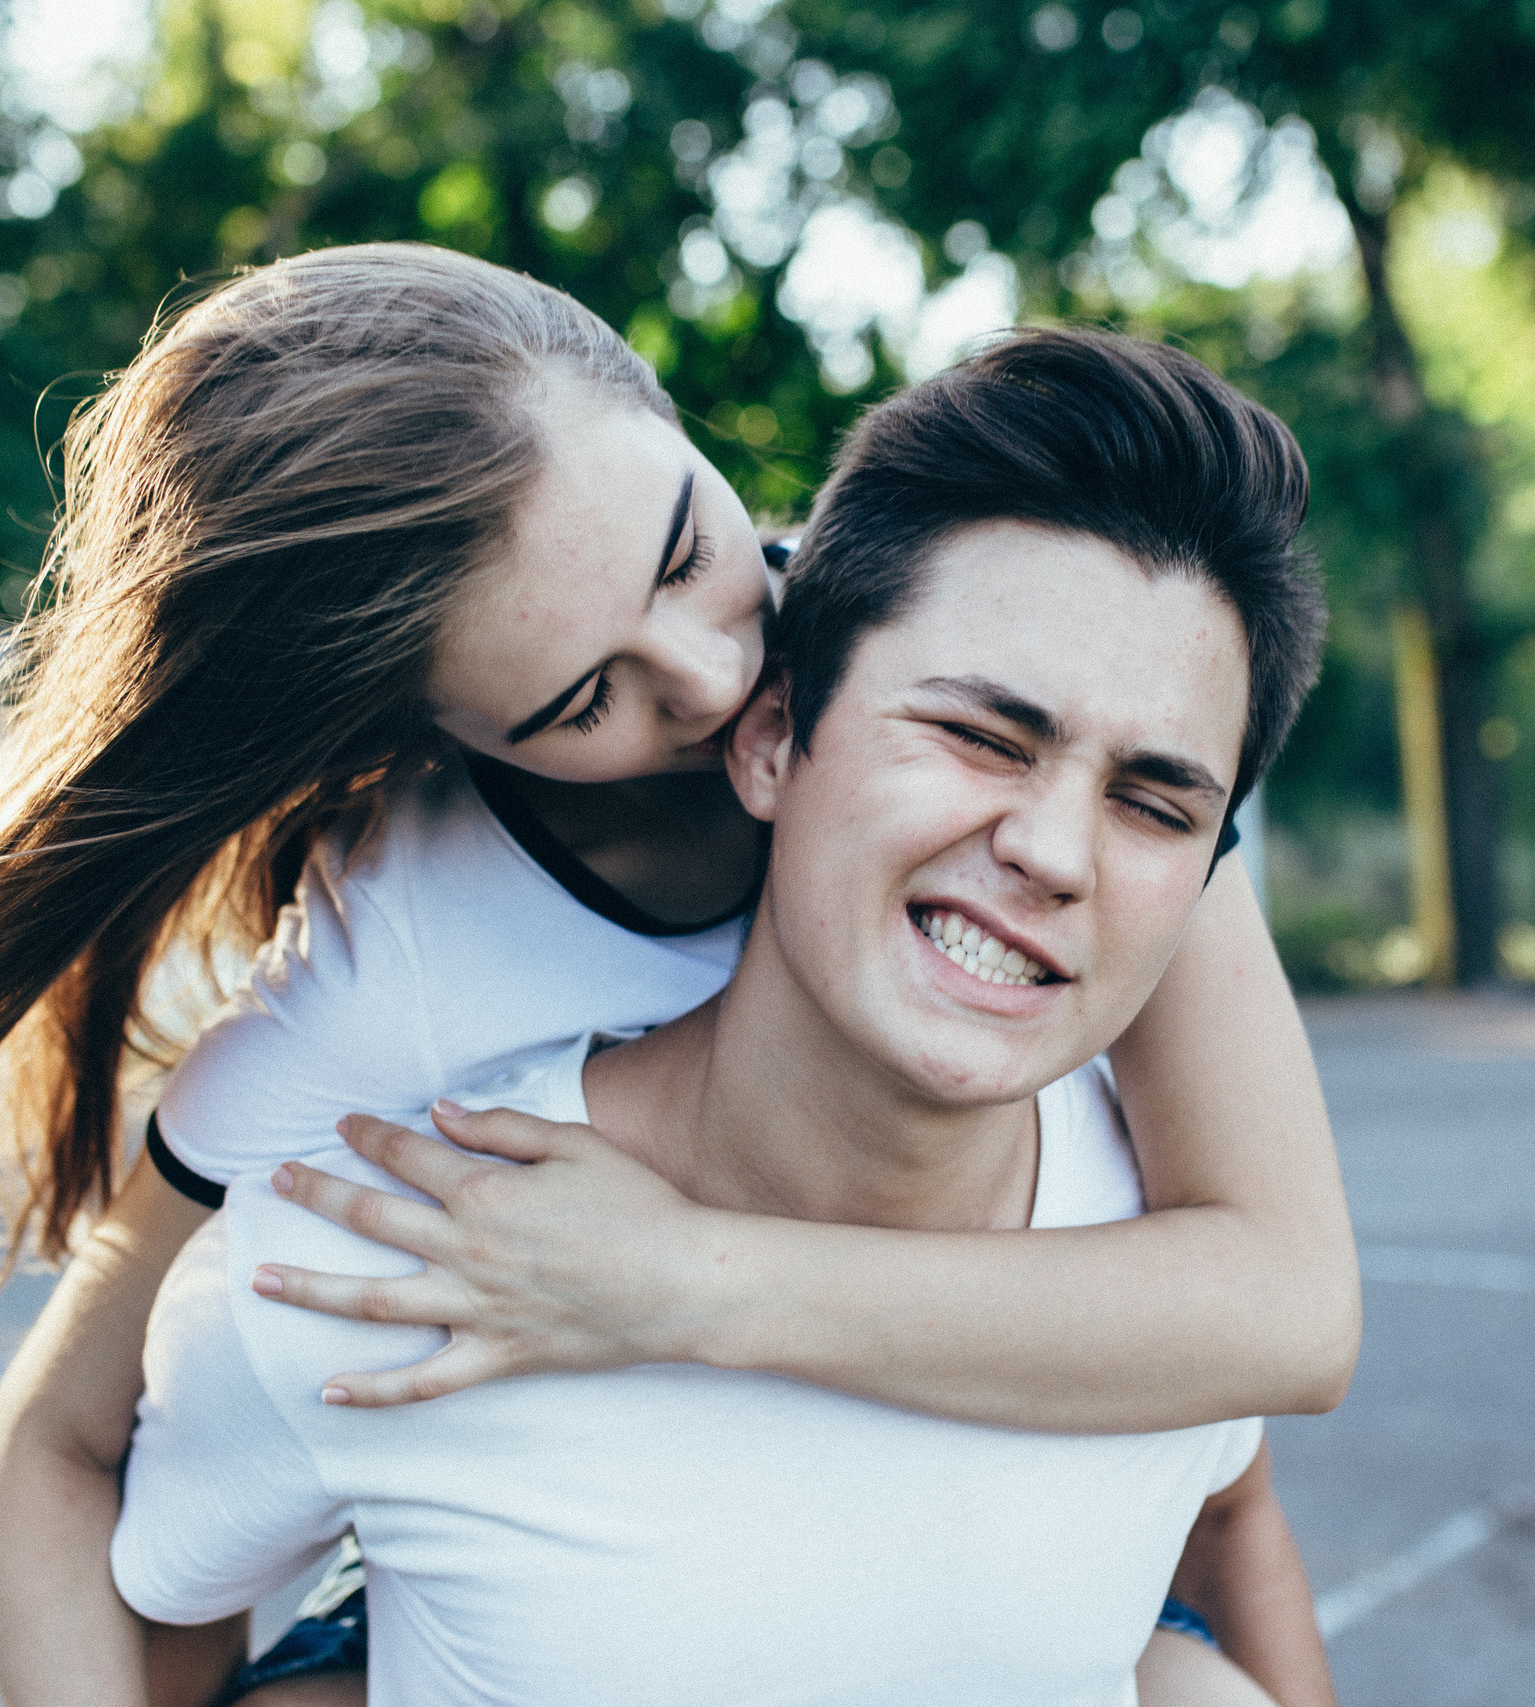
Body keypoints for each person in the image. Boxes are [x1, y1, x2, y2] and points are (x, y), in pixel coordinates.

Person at [0, 244, 1349, 1699]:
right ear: (448, 736)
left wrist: (685, 1281)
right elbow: (56, 1449)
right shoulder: (405, 952)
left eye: (692, 546)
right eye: (584, 694)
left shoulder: (1038, 725)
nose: (715, 675)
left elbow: (1276, 1323)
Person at [106, 326, 1338, 1705]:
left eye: (1157, 804)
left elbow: (1244, 1473)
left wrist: (685, 1278)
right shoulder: (383, 1230)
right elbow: (106, 1525)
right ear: (775, 740)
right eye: (982, 739)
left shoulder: (1157, 1273)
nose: (1056, 850)